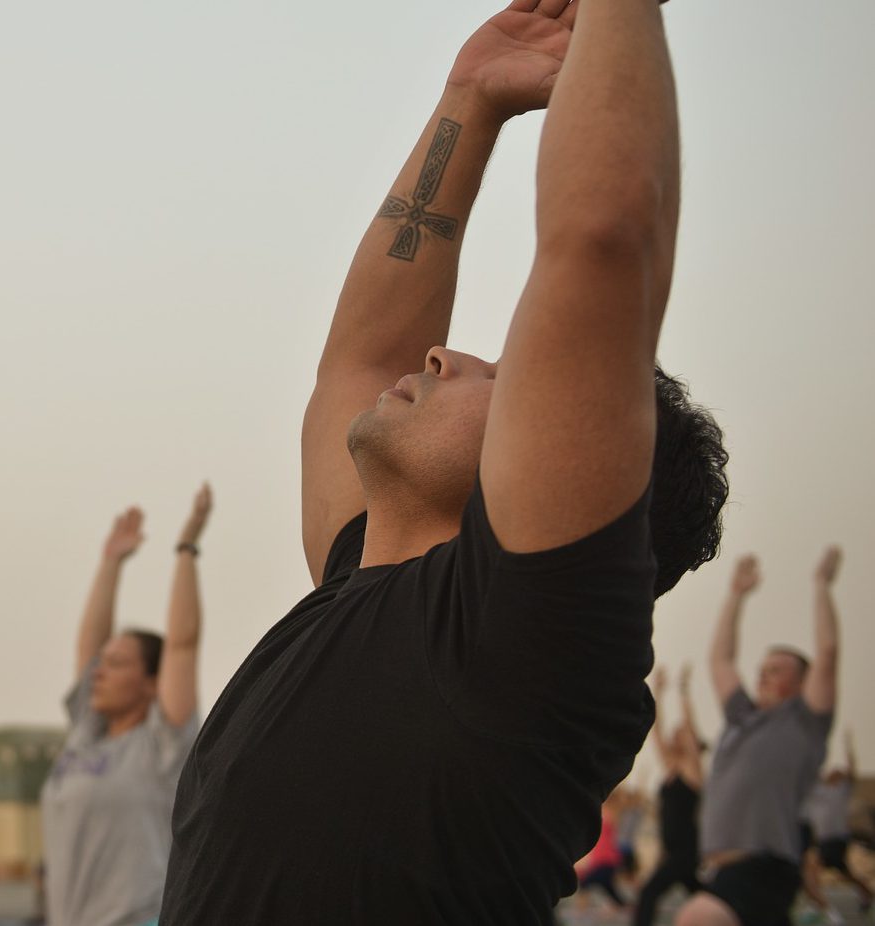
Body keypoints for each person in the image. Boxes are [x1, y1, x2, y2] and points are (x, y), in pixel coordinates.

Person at [160, 0, 731, 920]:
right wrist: (473, 97)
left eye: (504, 377)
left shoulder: (528, 635)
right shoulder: (358, 582)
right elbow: (364, 358)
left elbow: (601, 240)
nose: (441, 356)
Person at [44, 484, 209, 926]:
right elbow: (89, 647)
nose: (99, 671)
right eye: (102, 664)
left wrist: (186, 547)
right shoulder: (86, 732)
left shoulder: (162, 746)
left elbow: (182, 646)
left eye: (117, 664)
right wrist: (111, 562)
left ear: (151, 683)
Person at [678, 550, 842, 926]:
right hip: (722, 869)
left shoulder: (805, 723)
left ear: (802, 684)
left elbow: (828, 654)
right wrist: (735, 595)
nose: (763, 676)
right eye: (762, 669)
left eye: (776, 671)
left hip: (764, 866)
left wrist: (821, 586)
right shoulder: (741, 717)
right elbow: (721, 660)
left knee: (696, 918)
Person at [634, 664, 708, 926]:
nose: (676, 736)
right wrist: (659, 692)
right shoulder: (669, 768)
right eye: (675, 734)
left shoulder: (692, 769)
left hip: (686, 849)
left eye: (681, 734)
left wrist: (683, 691)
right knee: (703, 895)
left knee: (649, 893)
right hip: (672, 849)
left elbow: (689, 729)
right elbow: (657, 731)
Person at [802, 730, 871, 918]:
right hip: (824, 838)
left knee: (812, 870)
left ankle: (821, 906)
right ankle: (864, 894)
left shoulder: (841, 791)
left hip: (836, 838)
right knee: (841, 871)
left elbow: (852, 770)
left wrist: (848, 746)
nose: (835, 772)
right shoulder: (819, 791)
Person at [578, 804, 630, 914]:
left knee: (584, 883)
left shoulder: (608, 818)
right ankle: (626, 906)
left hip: (606, 861)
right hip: (605, 861)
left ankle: (581, 912)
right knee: (609, 889)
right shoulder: (601, 818)